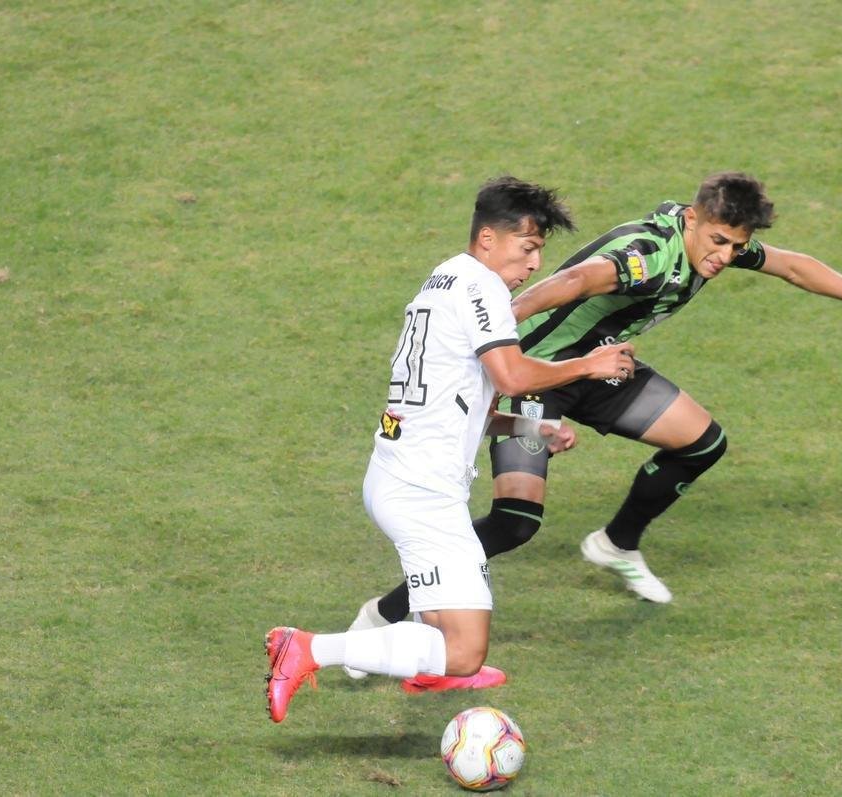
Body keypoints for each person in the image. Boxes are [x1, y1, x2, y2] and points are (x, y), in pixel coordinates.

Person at [345, 171, 842, 681]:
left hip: (601, 365)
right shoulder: (647, 255)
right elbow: (574, 281)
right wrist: (499, 313)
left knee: (702, 441)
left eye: (736, 246)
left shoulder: (713, 245)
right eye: (717, 241)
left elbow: (793, 266)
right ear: (694, 217)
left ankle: (616, 545)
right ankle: (386, 613)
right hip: (539, 376)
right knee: (516, 522)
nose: (724, 257)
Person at [264, 176, 636, 722]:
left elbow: (468, 401)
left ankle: (425, 668)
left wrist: (533, 429)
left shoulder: (443, 279)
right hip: (424, 495)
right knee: (466, 651)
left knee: (447, 623)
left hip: (398, 475)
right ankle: (307, 648)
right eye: (527, 248)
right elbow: (510, 374)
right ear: (489, 239)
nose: (534, 265)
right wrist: (588, 364)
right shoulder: (482, 290)